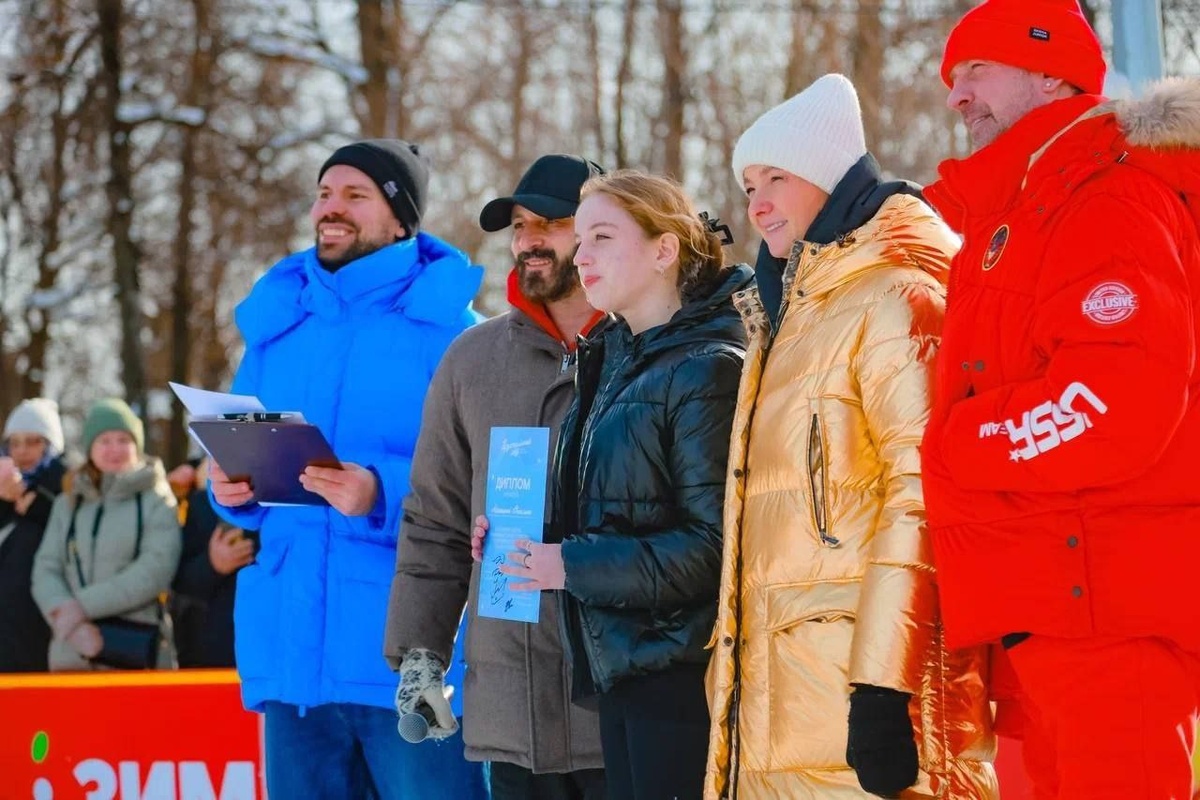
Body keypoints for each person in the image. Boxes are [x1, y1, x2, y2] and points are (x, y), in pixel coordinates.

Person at [922, 1, 1200, 797]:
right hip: (1046, 616)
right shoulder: (1017, 207)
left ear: (1050, 70)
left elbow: (1114, 404)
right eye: (952, 76)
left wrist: (954, 446)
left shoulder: (1103, 195)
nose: (957, 96)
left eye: (977, 69)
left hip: (1109, 624)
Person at [704, 74, 997, 800]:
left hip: (869, 694)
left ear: (830, 178)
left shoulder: (896, 296)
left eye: (776, 176)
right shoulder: (788, 316)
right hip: (788, 699)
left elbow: (923, 491)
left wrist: (880, 684)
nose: (757, 202)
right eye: (747, 184)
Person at [207, 139, 487, 799]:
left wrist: (382, 490)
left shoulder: (455, 333)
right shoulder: (277, 325)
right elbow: (243, 461)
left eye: (355, 195)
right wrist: (232, 491)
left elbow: (488, 475)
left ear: (399, 219)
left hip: (409, 660)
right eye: (325, 193)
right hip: (292, 657)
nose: (331, 209)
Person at [485, 170, 750, 800]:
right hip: (624, 668)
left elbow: (713, 551)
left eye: (601, 236)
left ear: (664, 250)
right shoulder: (612, 360)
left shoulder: (707, 367)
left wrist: (566, 564)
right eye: (580, 240)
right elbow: (620, 512)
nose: (582, 256)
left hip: (686, 679)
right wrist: (528, 544)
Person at [384, 154, 608, 800]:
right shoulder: (471, 361)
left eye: (550, 222)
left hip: (623, 715)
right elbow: (434, 519)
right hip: (513, 717)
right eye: (519, 224)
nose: (529, 239)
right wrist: (419, 650)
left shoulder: (647, 346)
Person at [31, 398, 181, 671]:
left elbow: (154, 570)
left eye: (123, 439)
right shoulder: (67, 503)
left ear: (137, 445)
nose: (115, 449)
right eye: (104, 440)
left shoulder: (157, 499)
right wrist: (71, 625)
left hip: (135, 655)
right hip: (71, 654)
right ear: (90, 448)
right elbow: (45, 568)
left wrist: (80, 608)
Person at [0, 399, 68, 672]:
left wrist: (39, 507)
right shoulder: (4, 492)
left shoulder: (66, 490)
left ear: (51, 446)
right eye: (14, 443)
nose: (22, 451)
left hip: (41, 636)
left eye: (32, 442)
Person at [171, 457, 255, 668]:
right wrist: (212, 565)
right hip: (209, 649)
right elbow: (179, 579)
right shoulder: (200, 499)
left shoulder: (284, 499)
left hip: (266, 643)